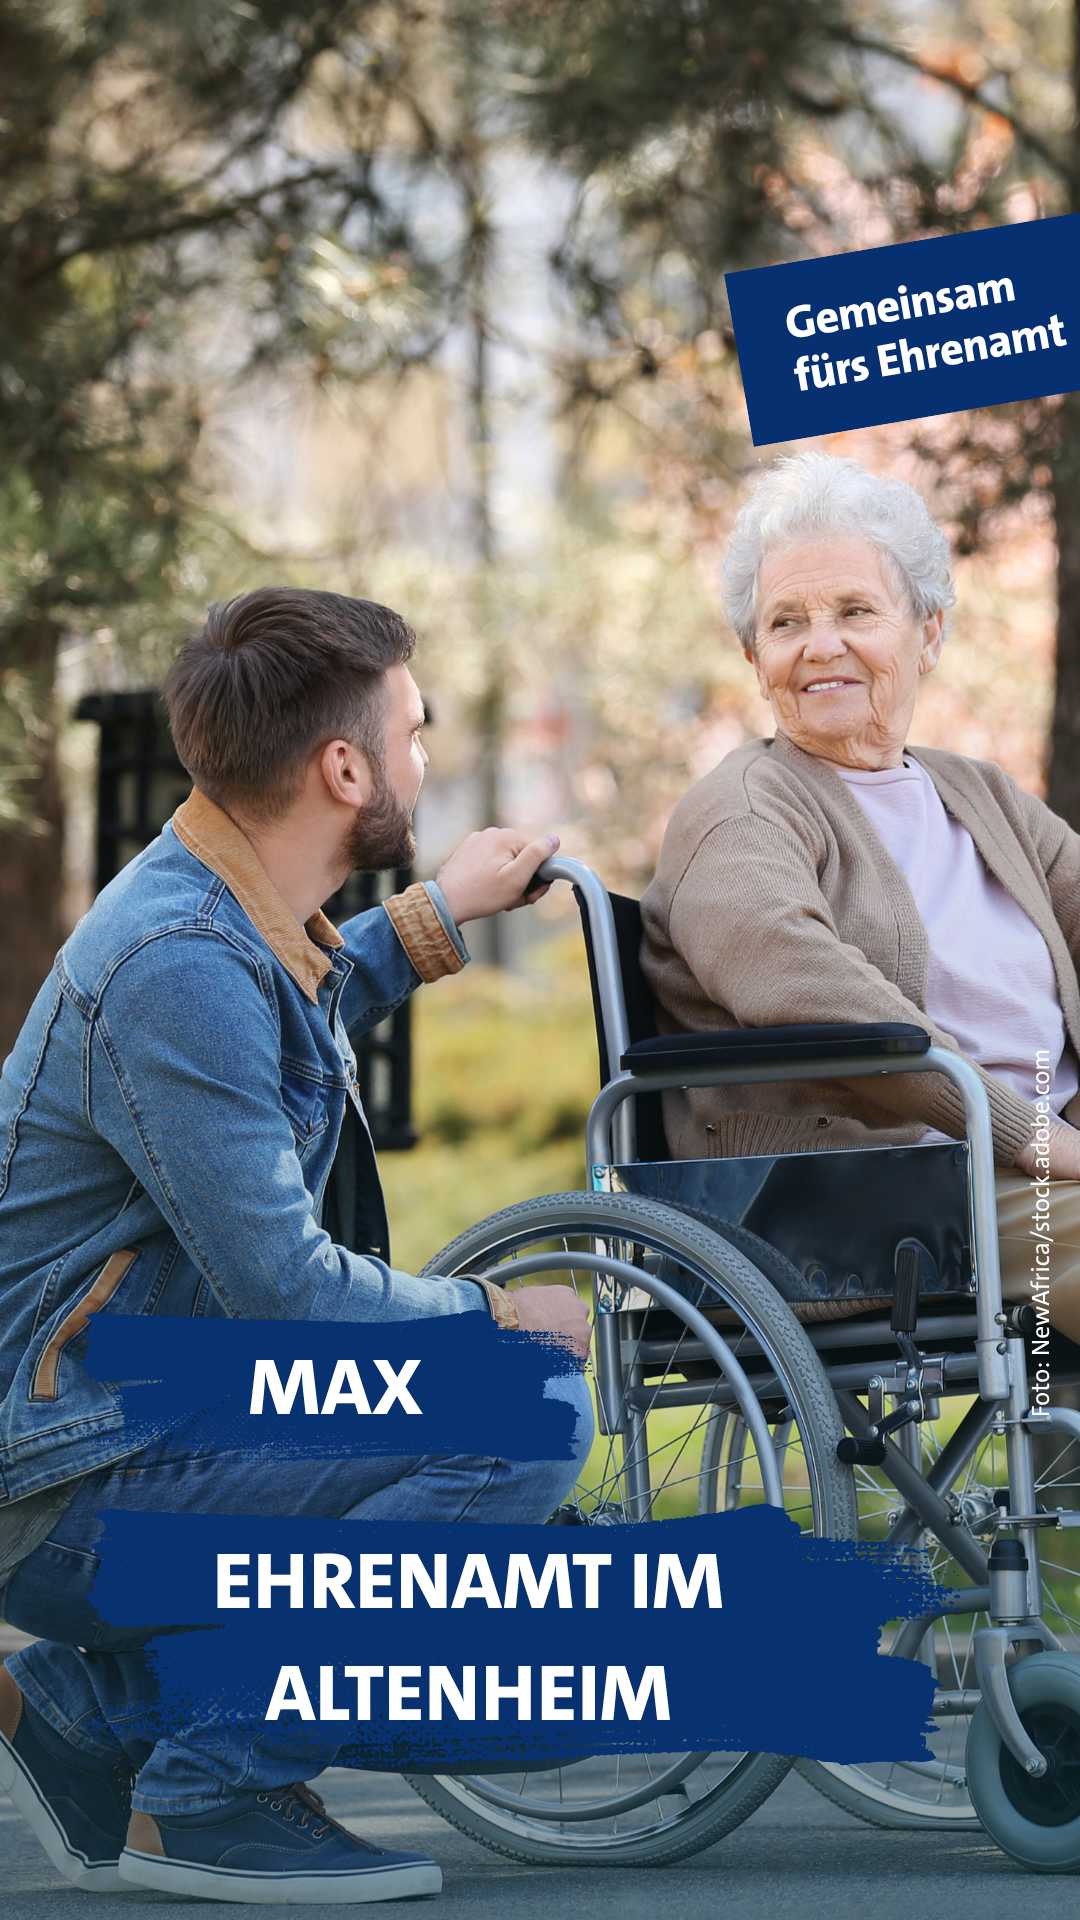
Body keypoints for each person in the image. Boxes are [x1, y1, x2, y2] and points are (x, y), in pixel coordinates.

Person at [0, 587, 593, 1904]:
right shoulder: (175, 962)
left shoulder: (210, 912)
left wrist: (436, 917)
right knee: (526, 1417)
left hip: (108, 1433)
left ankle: (102, 1707)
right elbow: (286, 1293)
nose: (425, 757)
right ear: (344, 768)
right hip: (63, 1484)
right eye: (415, 731)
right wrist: (492, 1317)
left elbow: (296, 1002)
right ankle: (210, 1783)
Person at [641, 450, 1080, 1345]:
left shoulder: (980, 795)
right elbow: (804, 989)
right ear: (755, 657)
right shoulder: (739, 815)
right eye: (786, 621)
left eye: (855, 611)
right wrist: (1034, 1139)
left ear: (928, 633)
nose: (820, 645)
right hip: (876, 1191)